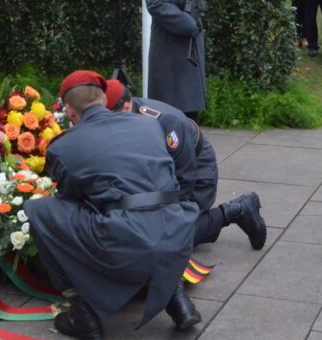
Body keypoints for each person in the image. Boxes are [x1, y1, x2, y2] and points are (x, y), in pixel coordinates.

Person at [24, 71, 201, 340]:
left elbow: (71, 198)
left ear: (69, 112)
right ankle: (175, 296)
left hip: (131, 237)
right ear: (105, 98)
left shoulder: (65, 146)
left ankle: (82, 313)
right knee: (148, 208)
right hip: (179, 230)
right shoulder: (149, 125)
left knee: (40, 211)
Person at [104, 81, 265, 250]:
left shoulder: (164, 122)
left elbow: (184, 177)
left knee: (171, 237)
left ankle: (237, 209)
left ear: (126, 107)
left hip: (196, 168)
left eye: (108, 116)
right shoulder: (123, 117)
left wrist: (166, 216)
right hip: (163, 173)